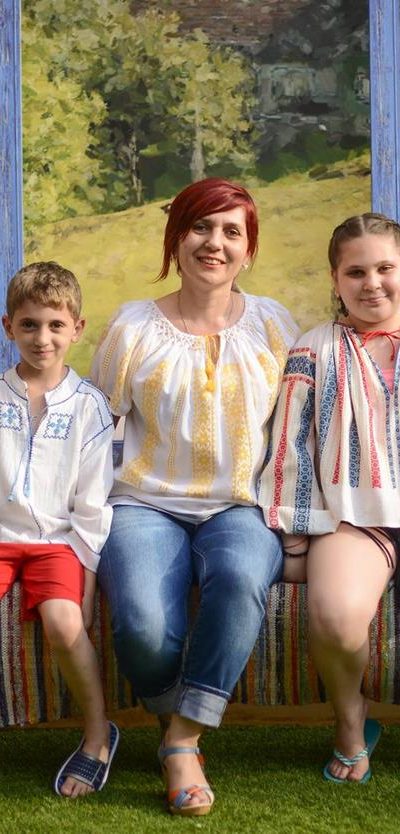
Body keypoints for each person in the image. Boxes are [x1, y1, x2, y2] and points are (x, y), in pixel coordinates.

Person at [91, 177, 299, 816]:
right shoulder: (133, 327)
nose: (215, 242)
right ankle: (170, 717)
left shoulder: (273, 324)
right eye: (200, 226)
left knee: (239, 578)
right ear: (176, 238)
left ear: (248, 249)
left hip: (241, 504)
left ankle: (182, 741)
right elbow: (92, 431)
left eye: (232, 231)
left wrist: (299, 522)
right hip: (143, 502)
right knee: (143, 626)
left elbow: (298, 434)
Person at [260, 212, 400, 783]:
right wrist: (295, 539)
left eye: (386, 268)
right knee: (337, 618)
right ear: (335, 279)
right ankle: (350, 721)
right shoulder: (314, 348)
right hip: (357, 516)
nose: (373, 283)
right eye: (356, 272)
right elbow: (291, 447)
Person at [1, 261, 119, 798]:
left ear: (77, 328)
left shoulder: (90, 406)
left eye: (55, 325)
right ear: (8, 327)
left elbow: (93, 502)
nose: (41, 338)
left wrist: (86, 577)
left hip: (58, 541)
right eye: (28, 325)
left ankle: (97, 735)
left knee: (64, 623)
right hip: (3, 537)